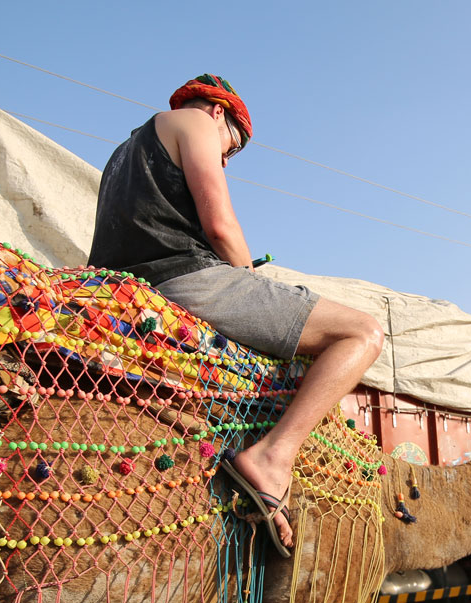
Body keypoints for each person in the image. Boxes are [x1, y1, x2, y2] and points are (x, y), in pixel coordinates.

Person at [88, 75, 385, 553]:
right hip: (184, 280)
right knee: (363, 334)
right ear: (220, 113)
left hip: (123, 287)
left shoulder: (121, 154)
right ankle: (274, 456)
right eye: (234, 147)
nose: (226, 158)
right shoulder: (194, 122)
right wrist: (248, 274)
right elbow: (221, 226)